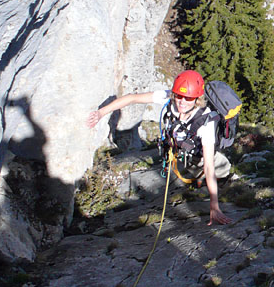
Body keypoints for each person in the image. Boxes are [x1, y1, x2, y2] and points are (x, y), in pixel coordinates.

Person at [86, 70, 233, 225]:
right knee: (194, 170)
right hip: (181, 151)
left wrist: (214, 206)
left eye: (188, 98)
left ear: (197, 99)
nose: (182, 101)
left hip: (199, 154)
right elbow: (132, 98)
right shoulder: (168, 97)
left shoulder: (206, 121)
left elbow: (209, 167)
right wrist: (101, 113)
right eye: (178, 95)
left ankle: (223, 178)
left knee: (219, 169)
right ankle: (199, 179)